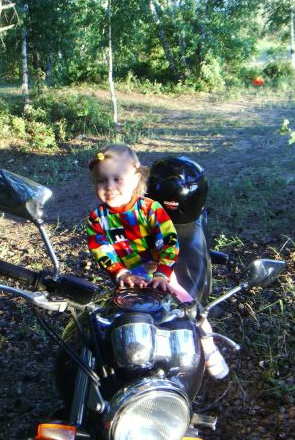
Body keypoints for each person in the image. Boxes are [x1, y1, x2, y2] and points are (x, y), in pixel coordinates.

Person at [86, 144, 229, 379]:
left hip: (159, 272)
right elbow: (101, 248)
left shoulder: (150, 209)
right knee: (121, 317)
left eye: (117, 179)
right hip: (128, 278)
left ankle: (209, 348)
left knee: (190, 309)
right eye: (102, 180)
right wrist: (120, 272)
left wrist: (162, 272)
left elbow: (169, 241)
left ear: (135, 177)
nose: (109, 187)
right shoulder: (97, 218)